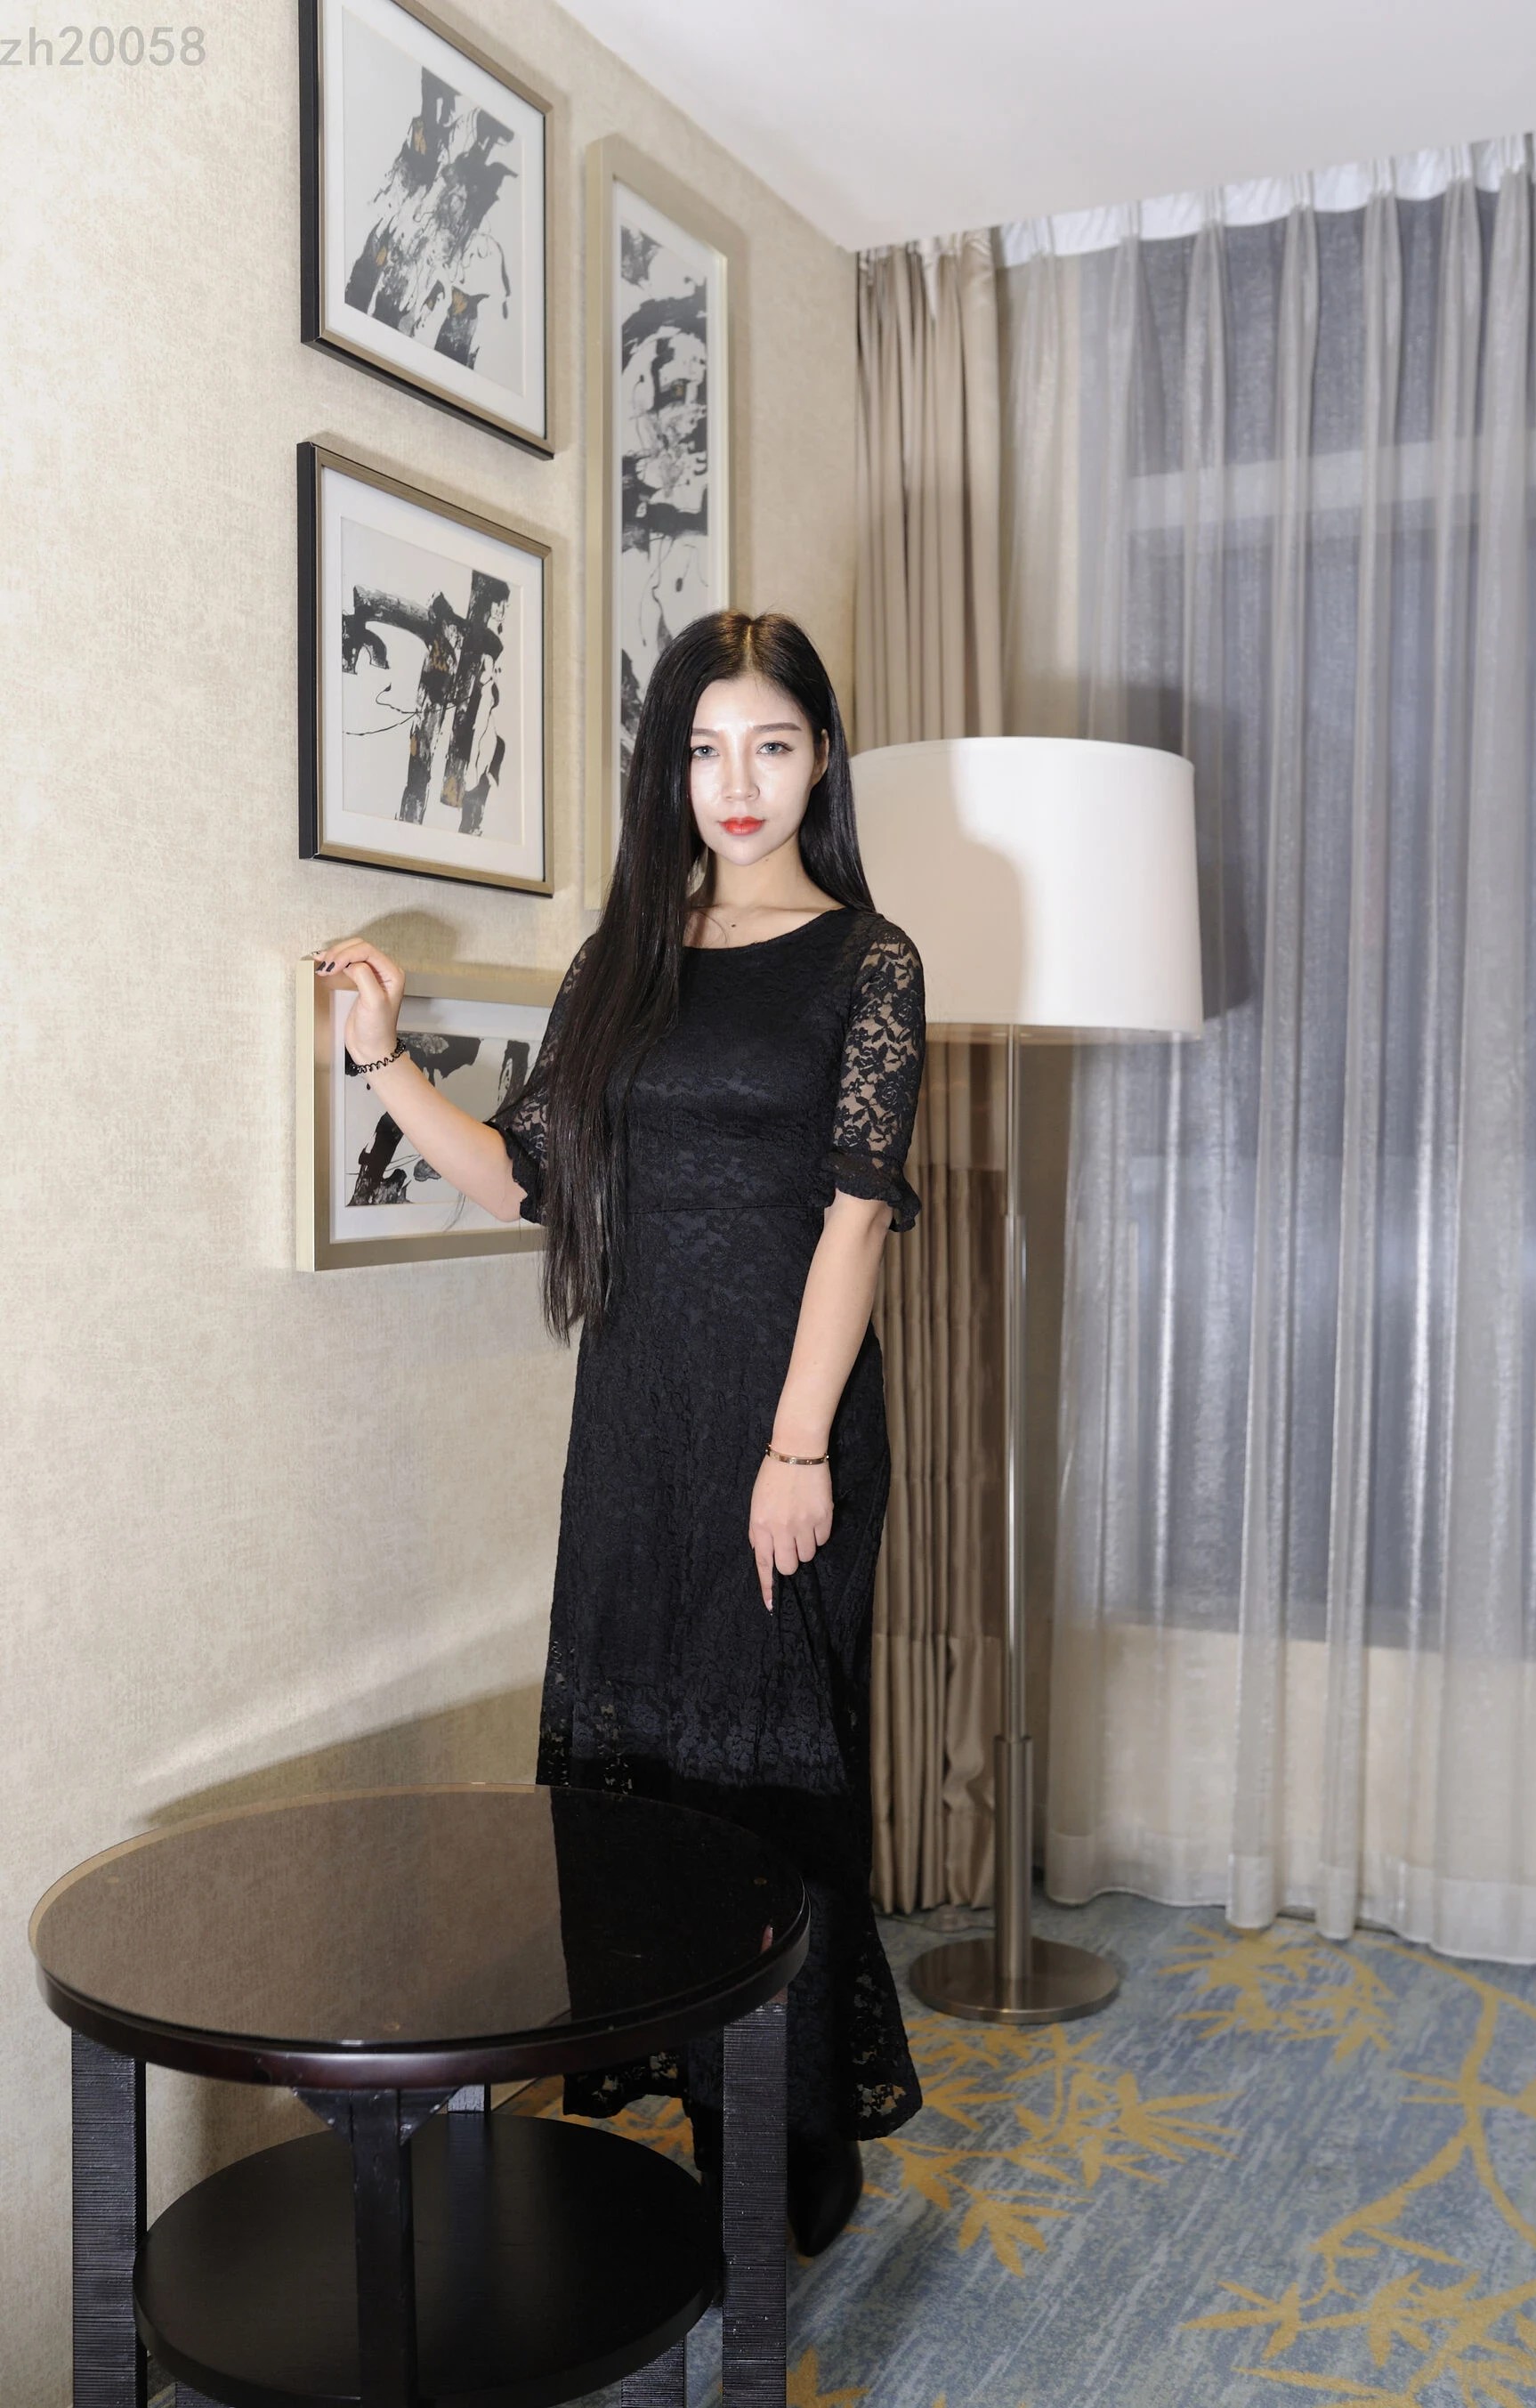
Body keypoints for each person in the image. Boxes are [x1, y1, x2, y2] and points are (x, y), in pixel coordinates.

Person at [315, 609, 926, 2258]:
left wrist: (796, 1449)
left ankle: (792, 2137)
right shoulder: (623, 962)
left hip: (791, 1426)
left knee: (774, 1784)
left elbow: (857, 1218)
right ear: (671, 768)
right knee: (647, 1777)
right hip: (639, 1424)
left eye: (773, 744)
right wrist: (383, 1063)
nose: (740, 782)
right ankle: (706, 2103)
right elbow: (529, 1178)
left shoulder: (870, 962)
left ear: (821, 758)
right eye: (707, 748)